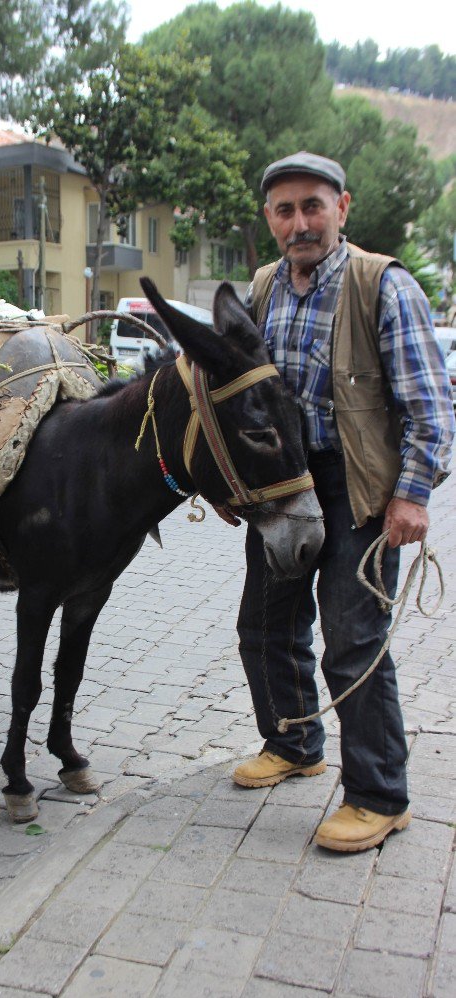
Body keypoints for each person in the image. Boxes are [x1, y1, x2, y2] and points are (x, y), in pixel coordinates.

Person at [232, 151, 455, 852]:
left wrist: (412, 496)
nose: (300, 222)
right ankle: (295, 744)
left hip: (360, 489)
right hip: (285, 485)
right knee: (264, 628)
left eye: (313, 206)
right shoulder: (264, 287)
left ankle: (380, 796)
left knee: (353, 644)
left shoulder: (383, 286)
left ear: (342, 208)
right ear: (270, 220)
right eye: (285, 209)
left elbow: (432, 407)